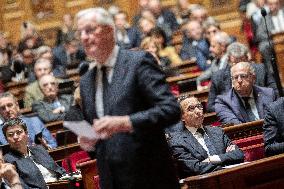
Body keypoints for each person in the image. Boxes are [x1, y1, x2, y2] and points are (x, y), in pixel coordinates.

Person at [76, 7, 181, 189]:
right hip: (113, 181)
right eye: (81, 32)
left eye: (90, 30)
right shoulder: (86, 80)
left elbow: (171, 109)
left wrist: (126, 122)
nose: (84, 37)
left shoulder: (138, 62)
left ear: (109, 30)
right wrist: (90, 141)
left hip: (150, 176)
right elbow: (99, 133)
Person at [169, 96, 244, 178]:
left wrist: (214, 159)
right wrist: (226, 161)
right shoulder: (177, 141)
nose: (198, 111)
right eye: (191, 109)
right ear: (182, 117)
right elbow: (196, 168)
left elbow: (238, 154)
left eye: (199, 106)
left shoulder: (217, 131)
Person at [207, 42, 277, 112]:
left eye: (243, 62)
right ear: (228, 60)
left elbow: (276, 92)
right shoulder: (218, 77)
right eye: (235, 63)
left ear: (247, 58)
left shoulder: (261, 70)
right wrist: (230, 110)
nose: (239, 67)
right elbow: (210, 106)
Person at [3, 118, 66, 188]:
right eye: (10, 135)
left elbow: (59, 170)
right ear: (6, 139)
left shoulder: (39, 149)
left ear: (27, 134)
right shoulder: (7, 161)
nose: (15, 137)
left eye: (19, 132)